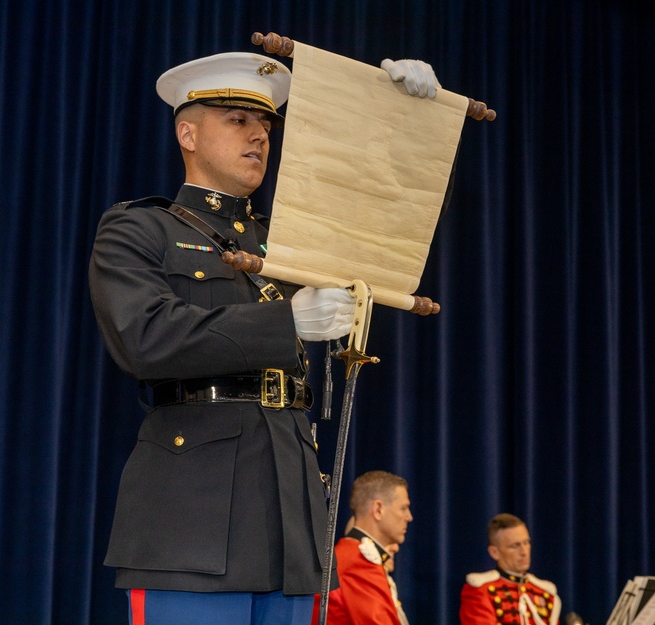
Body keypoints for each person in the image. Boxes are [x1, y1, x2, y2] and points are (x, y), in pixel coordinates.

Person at [88, 50, 440, 625]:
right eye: (238, 120)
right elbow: (142, 337)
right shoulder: (138, 227)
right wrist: (287, 323)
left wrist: (402, 122)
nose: (259, 136)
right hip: (192, 523)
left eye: (267, 126)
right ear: (188, 133)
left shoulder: (291, 241)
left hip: (291, 515)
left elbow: (391, 225)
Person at [313, 471, 414, 625]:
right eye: (403, 508)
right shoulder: (359, 563)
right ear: (378, 509)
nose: (409, 517)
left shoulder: (349, 554)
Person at [460, 513, 561, 625]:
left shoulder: (544, 592)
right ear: (495, 552)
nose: (524, 552)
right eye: (515, 546)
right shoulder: (481, 591)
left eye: (526, 543)